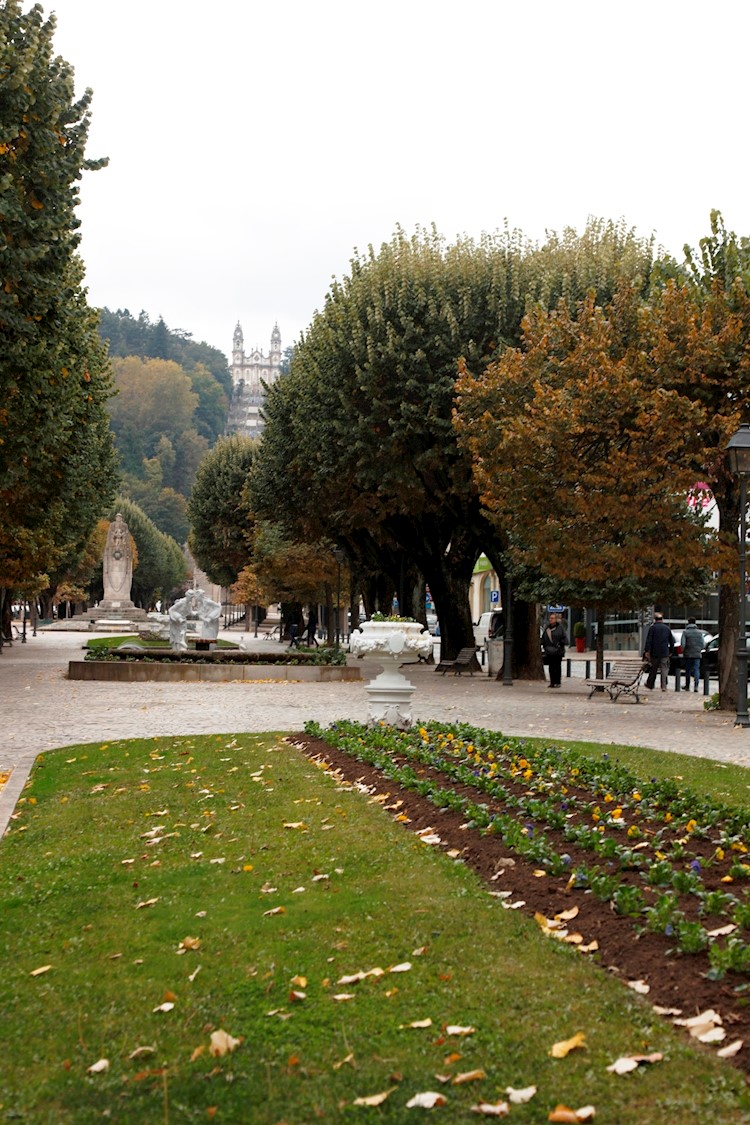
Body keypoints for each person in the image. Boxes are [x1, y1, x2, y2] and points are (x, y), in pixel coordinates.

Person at [643, 612, 674, 691]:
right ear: (662, 620)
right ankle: (663, 686)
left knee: (653, 669)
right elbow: (671, 641)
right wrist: (671, 650)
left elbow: (649, 640)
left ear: (655, 620)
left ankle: (650, 684)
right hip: (664, 652)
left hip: (655, 652)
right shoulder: (667, 628)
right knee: (664, 669)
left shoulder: (652, 628)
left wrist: (647, 650)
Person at [542, 612, 567, 688]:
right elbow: (544, 638)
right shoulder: (547, 628)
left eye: (552, 618)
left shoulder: (560, 628)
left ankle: (557, 682)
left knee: (557, 666)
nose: (551, 620)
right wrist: (545, 647)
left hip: (558, 651)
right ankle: (552, 682)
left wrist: (559, 645)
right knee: (551, 667)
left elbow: (564, 639)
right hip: (549, 651)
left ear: (556, 619)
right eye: (550, 618)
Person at [681, 617, 703, 692]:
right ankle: (696, 686)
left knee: (688, 670)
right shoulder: (699, 633)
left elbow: (683, 644)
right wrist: (699, 649)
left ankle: (687, 685)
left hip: (688, 654)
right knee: (696, 669)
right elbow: (702, 644)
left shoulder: (685, 632)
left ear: (688, 622)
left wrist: (683, 651)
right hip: (697, 654)